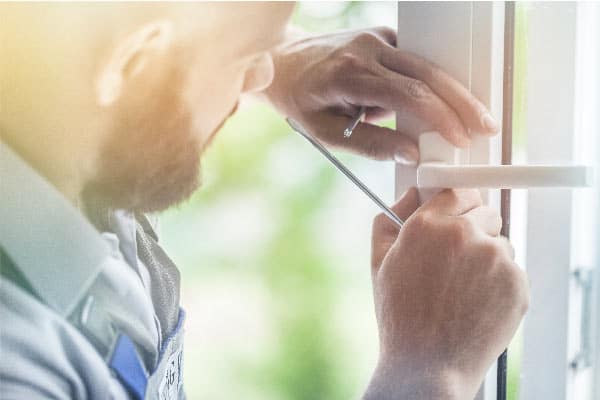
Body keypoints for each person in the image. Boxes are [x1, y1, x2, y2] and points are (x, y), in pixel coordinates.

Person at [0, 3, 528, 400]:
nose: (265, 79)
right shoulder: (20, 364)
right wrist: (427, 371)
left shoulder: (65, 140)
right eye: (248, 61)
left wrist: (275, 50)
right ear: (133, 62)